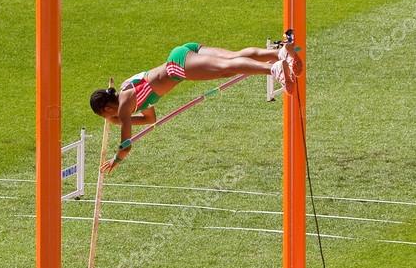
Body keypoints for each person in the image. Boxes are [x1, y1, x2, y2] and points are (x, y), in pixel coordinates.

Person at [90, 39, 302, 173]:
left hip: (177, 67)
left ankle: (275, 70)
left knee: (224, 68)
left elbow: (126, 146)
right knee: (233, 58)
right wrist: (119, 122)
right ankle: (281, 54)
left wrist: (115, 160)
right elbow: (150, 119)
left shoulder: (125, 104)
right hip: (183, 52)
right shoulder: (128, 94)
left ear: (106, 109)